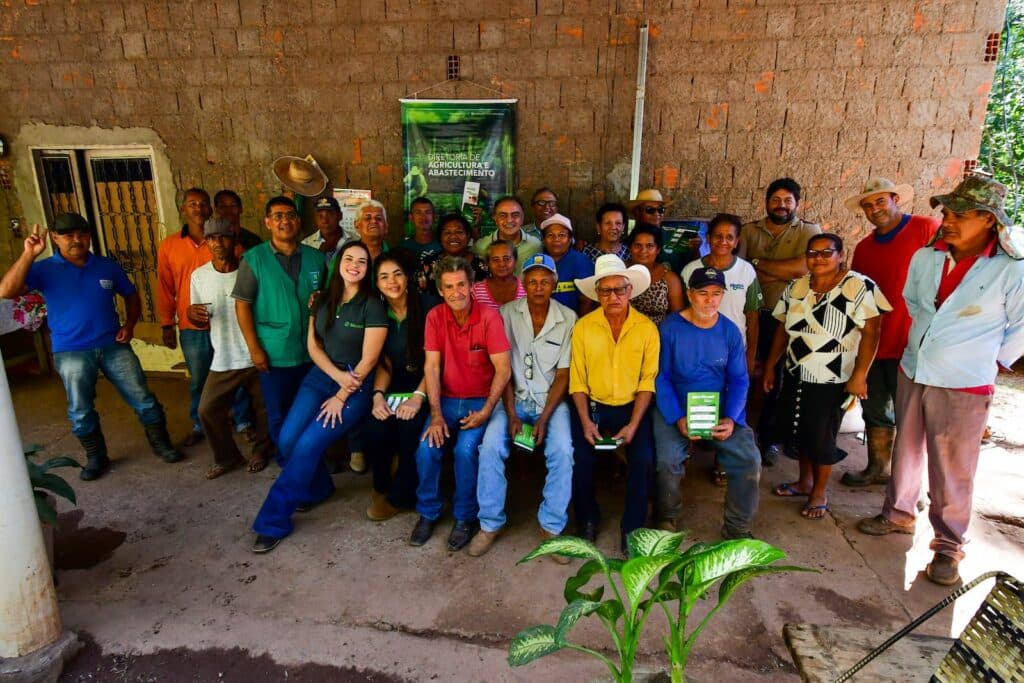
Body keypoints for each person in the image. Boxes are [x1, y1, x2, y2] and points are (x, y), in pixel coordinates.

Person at [857, 175, 1024, 586]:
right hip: (915, 366)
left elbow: (1020, 327)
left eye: (960, 215)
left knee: (952, 466)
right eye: (947, 213)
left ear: (988, 220)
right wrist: (928, 345)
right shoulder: (927, 256)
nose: (947, 221)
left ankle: (948, 545)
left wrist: (988, 359)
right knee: (907, 447)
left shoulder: (1011, 268)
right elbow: (914, 302)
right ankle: (898, 512)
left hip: (964, 380)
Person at [0, 214, 181, 479]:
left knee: (143, 398)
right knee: (80, 409)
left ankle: (162, 445)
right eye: (68, 235)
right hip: (70, 351)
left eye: (82, 234)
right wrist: (28, 254)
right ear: (55, 238)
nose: (76, 240)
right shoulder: (43, 269)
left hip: (113, 346)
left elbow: (131, 295)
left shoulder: (106, 266)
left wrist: (130, 325)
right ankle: (96, 457)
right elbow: (6, 291)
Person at [251, 241, 388, 553]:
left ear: (368, 269)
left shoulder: (372, 305)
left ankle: (273, 521)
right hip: (323, 375)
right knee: (287, 439)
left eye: (362, 261)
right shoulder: (323, 298)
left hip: (355, 384)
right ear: (338, 263)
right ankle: (319, 488)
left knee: (308, 444)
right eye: (349, 258)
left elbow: (369, 360)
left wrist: (342, 393)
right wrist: (335, 377)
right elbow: (313, 346)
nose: (354, 265)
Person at [764, 233, 890, 521]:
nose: (818, 258)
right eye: (812, 253)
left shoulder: (859, 286)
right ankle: (804, 482)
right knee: (800, 430)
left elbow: (872, 333)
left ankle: (819, 493)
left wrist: (860, 375)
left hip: (834, 376)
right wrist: (771, 365)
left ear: (841, 255)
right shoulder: (797, 286)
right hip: (797, 370)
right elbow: (783, 328)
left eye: (826, 252)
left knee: (822, 435)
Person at [469, 253, 577, 559]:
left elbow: (563, 375)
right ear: (523, 284)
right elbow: (502, 369)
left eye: (545, 281)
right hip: (512, 398)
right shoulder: (505, 314)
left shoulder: (568, 318)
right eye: (532, 282)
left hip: (550, 402)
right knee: (490, 447)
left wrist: (543, 418)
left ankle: (551, 527)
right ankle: (490, 523)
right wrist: (512, 413)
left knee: (562, 451)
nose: (538, 287)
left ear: (554, 284)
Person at [840, 178, 940, 487]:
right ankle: (878, 469)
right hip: (874, 343)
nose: (874, 209)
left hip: (914, 343)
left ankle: (910, 484)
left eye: (880, 201)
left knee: (912, 416)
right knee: (875, 409)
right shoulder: (865, 248)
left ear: (896, 199)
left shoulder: (925, 228)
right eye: (868, 206)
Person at [408, 256, 511, 552]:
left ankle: (464, 517)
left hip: (480, 400)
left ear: (472, 286)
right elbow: (431, 368)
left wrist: (487, 410)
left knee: (466, 452)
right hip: (447, 399)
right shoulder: (435, 317)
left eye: (461, 285)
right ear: (440, 290)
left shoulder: (489, 317)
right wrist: (436, 414)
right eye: (449, 287)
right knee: (426, 449)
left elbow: (503, 369)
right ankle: (428, 512)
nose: (456, 292)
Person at [655, 266, 761, 539]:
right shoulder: (670, 328)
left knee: (749, 459)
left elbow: (739, 380)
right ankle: (667, 515)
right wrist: (677, 417)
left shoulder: (730, 332)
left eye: (716, 294)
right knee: (667, 460)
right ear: (690, 295)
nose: (710, 300)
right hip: (677, 406)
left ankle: (737, 527)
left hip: (720, 408)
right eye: (703, 293)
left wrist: (731, 417)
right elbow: (661, 378)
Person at [569, 255, 657, 551]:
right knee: (579, 458)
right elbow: (578, 381)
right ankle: (587, 518)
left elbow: (647, 382)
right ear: (597, 294)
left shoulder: (646, 328)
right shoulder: (584, 327)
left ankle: (632, 528)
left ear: (630, 290)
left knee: (643, 460)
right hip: (593, 407)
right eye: (606, 291)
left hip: (633, 408)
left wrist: (633, 424)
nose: (613, 296)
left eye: (620, 289)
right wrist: (585, 422)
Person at [738, 178, 821, 465]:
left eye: (787, 200)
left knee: (777, 378)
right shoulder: (749, 231)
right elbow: (739, 271)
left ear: (797, 203)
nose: (781, 205)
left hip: (788, 319)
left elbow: (803, 269)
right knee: (745, 373)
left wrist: (758, 265)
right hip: (750, 315)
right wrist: (782, 272)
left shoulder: (809, 231)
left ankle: (769, 439)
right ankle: (736, 434)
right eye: (775, 199)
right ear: (766, 202)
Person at [232, 196, 325, 451]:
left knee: (311, 408)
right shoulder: (254, 259)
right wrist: (254, 349)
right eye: (278, 216)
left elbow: (328, 299)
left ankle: (309, 456)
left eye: (290, 215)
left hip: (312, 351)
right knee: (278, 412)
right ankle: (286, 458)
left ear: (298, 221)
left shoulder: (316, 259)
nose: (285, 221)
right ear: (268, 222)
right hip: (275, 353)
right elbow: (242, 306)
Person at [190, 217, 273, 478]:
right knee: (207, 410)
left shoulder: (251, 271)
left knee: (265, 408)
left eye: (223, 237)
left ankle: (261, 451)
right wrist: (192, 316)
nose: (217, 243)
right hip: (224, 358)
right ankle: (227, 457)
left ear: (234, 240)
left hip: (256, 354)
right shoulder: (199, 276)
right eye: (211, 238)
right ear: (206, 242)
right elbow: (199, 316)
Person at [363, 251, 440, 521]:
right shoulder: (377, 311)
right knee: (376, 426)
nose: (392, 282)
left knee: (410, 428)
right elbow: (383, 362)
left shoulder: (429, 306)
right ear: (376, 282)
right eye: (384, 277)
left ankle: (402, 496)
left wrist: (418, 397)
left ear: (407, 277)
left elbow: (436, 361)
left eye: (397, 274)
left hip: (428, 382)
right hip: (393, 382)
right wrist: (378, 396)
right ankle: (381, 487)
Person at [157, 187, 220, 448]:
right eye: (192, 204)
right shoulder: (170, 246)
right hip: (190, 326)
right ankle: (199, 424)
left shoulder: (221, 241)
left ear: (210, 209)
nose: (198, 208)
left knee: (233, 374)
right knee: (199, 378)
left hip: (225, 322)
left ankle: (241, 420)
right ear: (183, 209)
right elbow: (165, 286)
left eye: (203, 203)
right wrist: (166, 323)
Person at [681, 213, 762, 374]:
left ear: (736, 241)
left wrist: (750, 357)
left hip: (734, 353)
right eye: (718, 236)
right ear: (708, 238)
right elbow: (682, 314)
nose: (723, 242)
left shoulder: (746, 270)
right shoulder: (690, 270)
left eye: (729, 237)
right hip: (697, 352)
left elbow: (753, 318)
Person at [626, 224, 684, 327]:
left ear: (658, 249)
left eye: (649, 246)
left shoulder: (669, 279)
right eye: (638, 245)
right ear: (630, 247)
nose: (643, 251)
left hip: (658, 335)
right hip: (622, 334)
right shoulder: (620, 272)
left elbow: (677, 318)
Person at [626, 188, 695, 272]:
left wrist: (695, 249)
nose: (657, 214)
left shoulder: (676, 235)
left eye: (660, 210)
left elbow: (693, 268)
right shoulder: (630, 240)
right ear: (637, 212)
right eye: (650, 210)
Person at [418, 213, 488, 295]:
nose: (453, 236)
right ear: (440, 237)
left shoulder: (483, 264)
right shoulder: (427, 263)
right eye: (447, 233)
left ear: (468, 236)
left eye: (459, 232)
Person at [472, 196, 542, 276]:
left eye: (515, 215)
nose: (509, 220)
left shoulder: (535, 245)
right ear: (495, 218)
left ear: (522, 218)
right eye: (503, 215)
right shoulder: (481, 246)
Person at [541, 213, 594, 315]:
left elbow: (586, 299)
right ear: (544, 240)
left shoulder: (580, 261)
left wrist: (580, 322)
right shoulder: (539, 261)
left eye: (562, 235)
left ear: (570, 239)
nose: (556, 239)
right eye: (550, 235)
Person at [472, 240, 526, 310]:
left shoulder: (526, 288)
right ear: (488, 263)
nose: (501, 264)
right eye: (495, 259)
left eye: (506, 259)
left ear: (515, 261)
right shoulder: (476, 291)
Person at [301, 196, 345, 264]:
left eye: (330, 214)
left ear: (340, 216)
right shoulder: (306, 245)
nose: (325, 221)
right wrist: (318, 256)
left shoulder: (355, 240)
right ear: (315, 218)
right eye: (320, 216)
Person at [399, 196, 442, 263]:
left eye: (427, 212)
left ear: (434, 217)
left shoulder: (443, 244)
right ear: (411, 217)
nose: (423, 217)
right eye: (418, 212)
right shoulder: (403, 247)